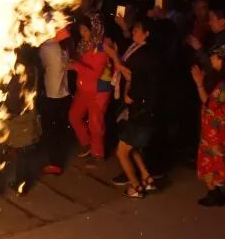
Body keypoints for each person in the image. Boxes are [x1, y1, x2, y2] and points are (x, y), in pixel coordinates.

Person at [115, 18, 160, 198]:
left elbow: (132, 85)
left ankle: (135, 187)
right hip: (147, 111)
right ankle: (147, 178)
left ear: (147, 33)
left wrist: (112, 56)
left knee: (121, 152)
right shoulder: (147, 52)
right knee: (132, 147)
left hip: (141, 113)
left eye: (138, 29)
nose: (134, 32)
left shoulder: (143, 57)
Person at [191, 47, 225, 206]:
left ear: (221, 60)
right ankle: (218, 192)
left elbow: (209, 103)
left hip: (218, 131)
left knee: (216, 160)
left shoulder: (224, 85)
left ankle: (217, 193)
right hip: (217, 129)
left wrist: (199, 84)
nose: (211, 59)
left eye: (213, 57)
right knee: (219, 160)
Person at [67, 15, 115, 163]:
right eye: (81, 29)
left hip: (98, 92)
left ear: (94, 30)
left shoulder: (101, 48)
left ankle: (97, 153)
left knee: (95, 123)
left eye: (85, 30)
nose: (83, 33)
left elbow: (94, 74)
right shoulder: (83, 45)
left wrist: (75, 66)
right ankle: (88, 143)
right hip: (83, 90)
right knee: (74, 116)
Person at [36, 26, 71, 175]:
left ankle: (55, 163)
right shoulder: (64, 47)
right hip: (64, 93)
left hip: (51, 95)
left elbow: (41, 67)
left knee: (50, 131)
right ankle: (59, 157)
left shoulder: (47, 48)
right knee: (59, 128)